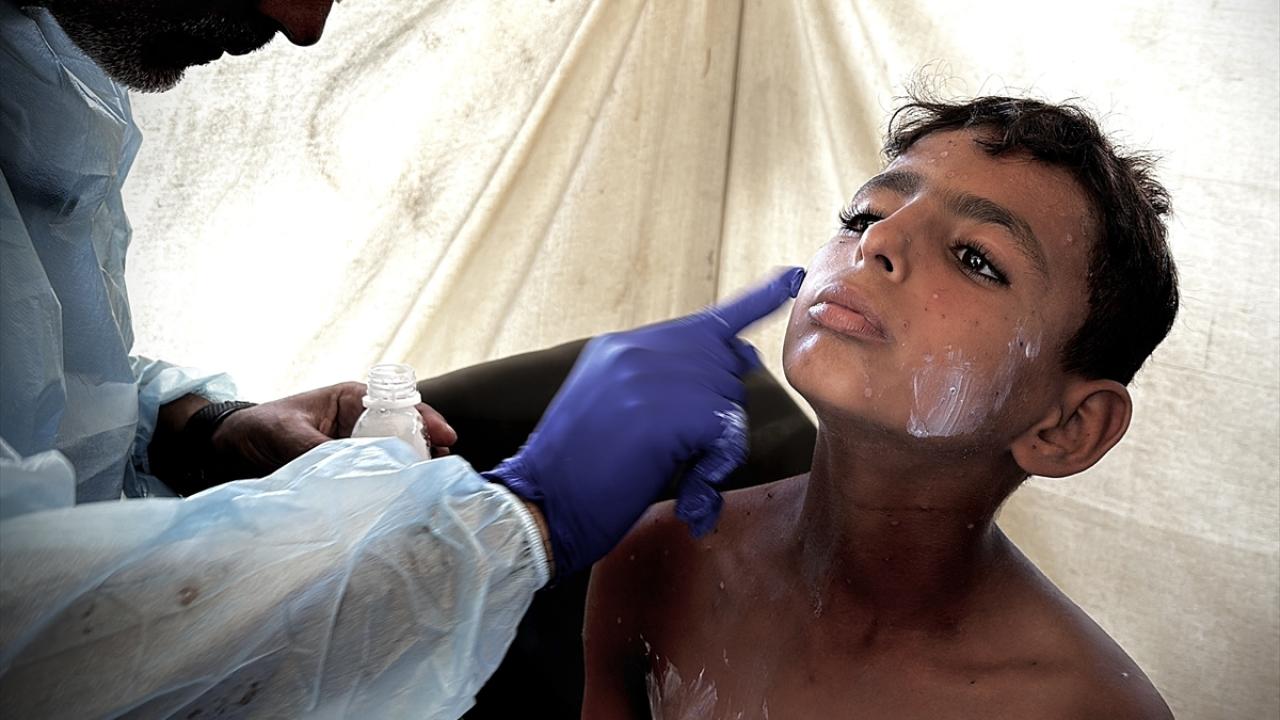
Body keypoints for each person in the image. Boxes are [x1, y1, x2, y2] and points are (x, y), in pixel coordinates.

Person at [0, 0, 806, 714]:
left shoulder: (37, 71)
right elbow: (36, 656)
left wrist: (200, 427)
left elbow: (48, 375)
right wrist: (513, 527)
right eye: (855, 220)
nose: (306, 26)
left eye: (869, 223)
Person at [584, 96, 1180, 719]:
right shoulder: (659, 560)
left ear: (1067, 429)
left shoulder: (1082, 709)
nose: (878, 239)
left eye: (975, 259)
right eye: (864, 213)